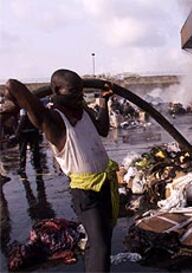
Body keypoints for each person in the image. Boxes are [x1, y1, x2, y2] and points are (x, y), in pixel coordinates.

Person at [5, 69, 119, 273]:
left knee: (102, 240)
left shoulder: (82, 111)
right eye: (74, 92)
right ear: (56, 90)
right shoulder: (53, 120)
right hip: (86, 192)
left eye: (81, 92)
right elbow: (13, 85)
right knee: (100, 245)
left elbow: (102, 129)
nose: (79, 97)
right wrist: (11, 99)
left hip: (105, 183)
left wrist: (103, 102)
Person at [15, 108, 42, 177]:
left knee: (22, 151)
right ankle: (37, 166)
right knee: (35, 150)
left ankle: (22, 167)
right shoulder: (31, 107)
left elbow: (22, 119)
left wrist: (17, 131)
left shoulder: (22, 108)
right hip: (33, 131)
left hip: (24, 133)